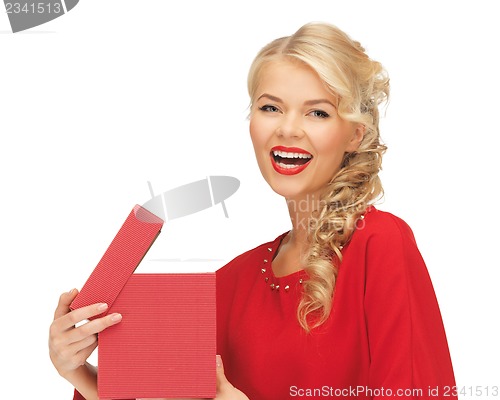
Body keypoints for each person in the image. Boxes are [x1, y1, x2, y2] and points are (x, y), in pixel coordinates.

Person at [49, 22, 457, 399]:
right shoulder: (230, 283)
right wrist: (80, 372)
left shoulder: (380, 244)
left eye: (318, 112)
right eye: (270, 107)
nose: (288, 128)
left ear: (354, 134)